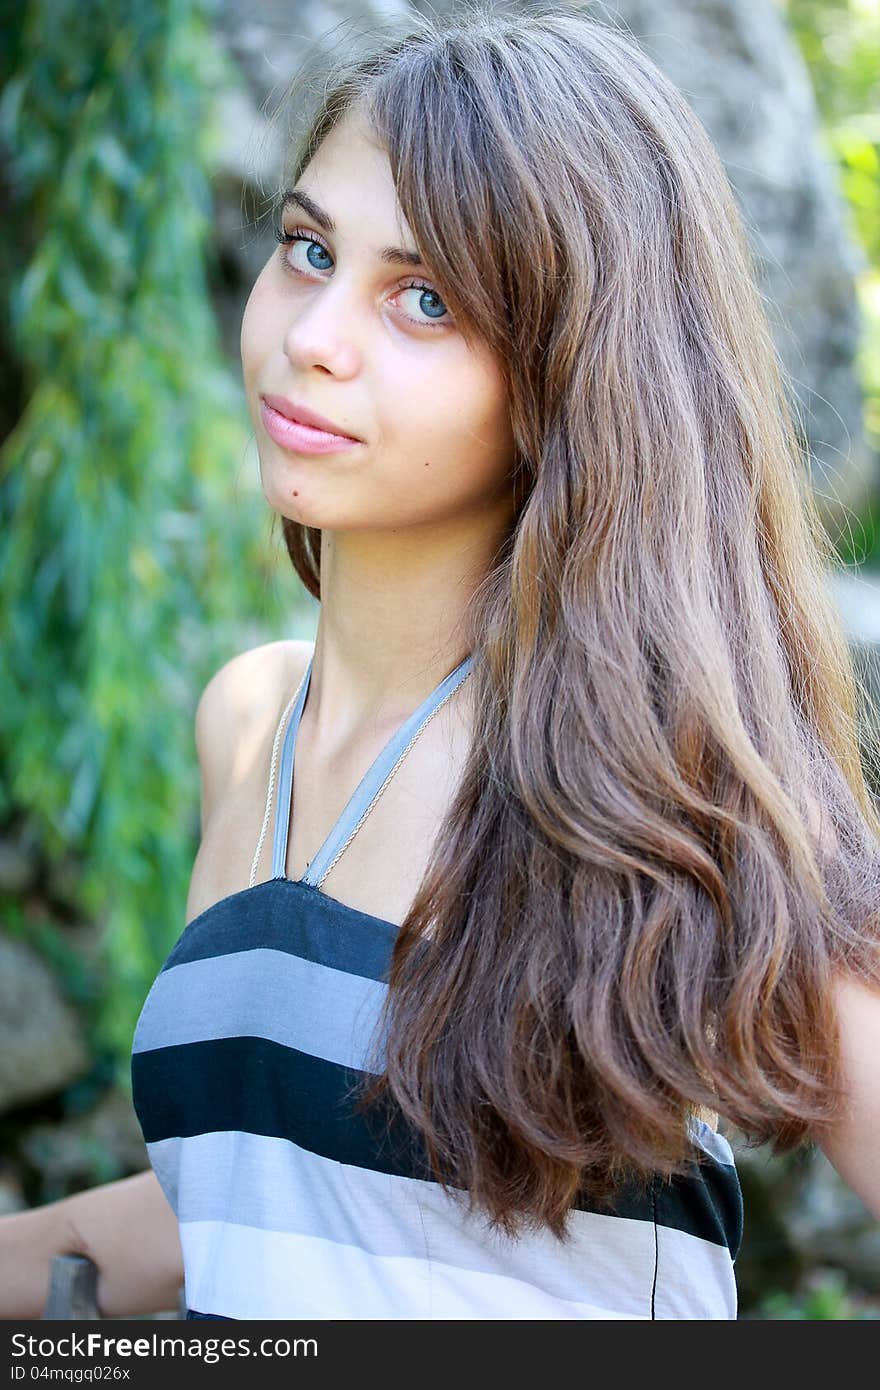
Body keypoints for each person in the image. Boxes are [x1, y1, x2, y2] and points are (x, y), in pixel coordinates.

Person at [3, 1, 880, 1321]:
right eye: (308, 250)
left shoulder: (664, 772)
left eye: (422, 298)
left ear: (571, 369)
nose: (313, 335)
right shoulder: (251, 723)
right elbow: (261, 1198)